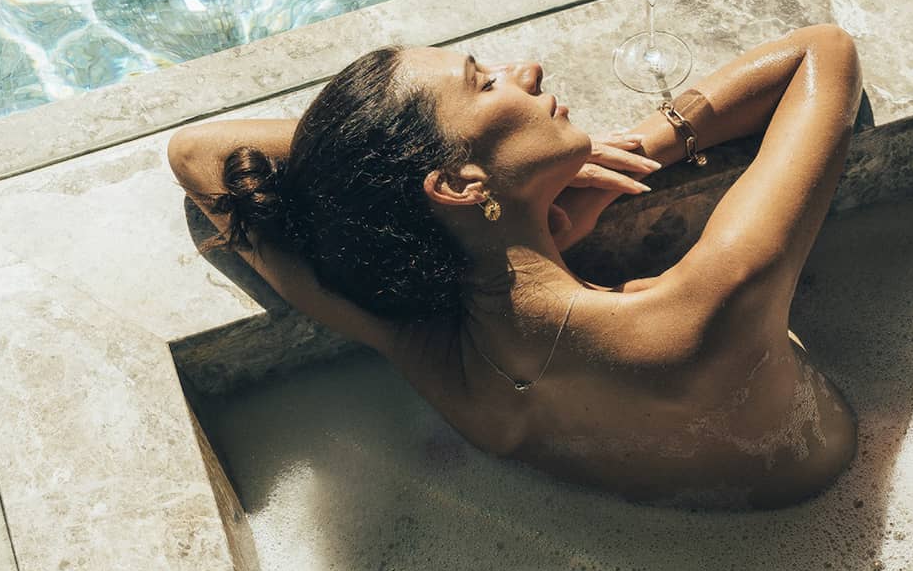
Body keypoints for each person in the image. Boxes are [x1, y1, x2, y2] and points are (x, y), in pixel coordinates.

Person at [168, 25, 864, 509]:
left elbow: (199, 153)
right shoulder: (704, 307)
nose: (526, 69)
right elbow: (821, 54)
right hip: (835, 503)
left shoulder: (445, 361)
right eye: (485, 83)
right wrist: (654, 142)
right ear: (459, 184)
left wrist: (398, 162)